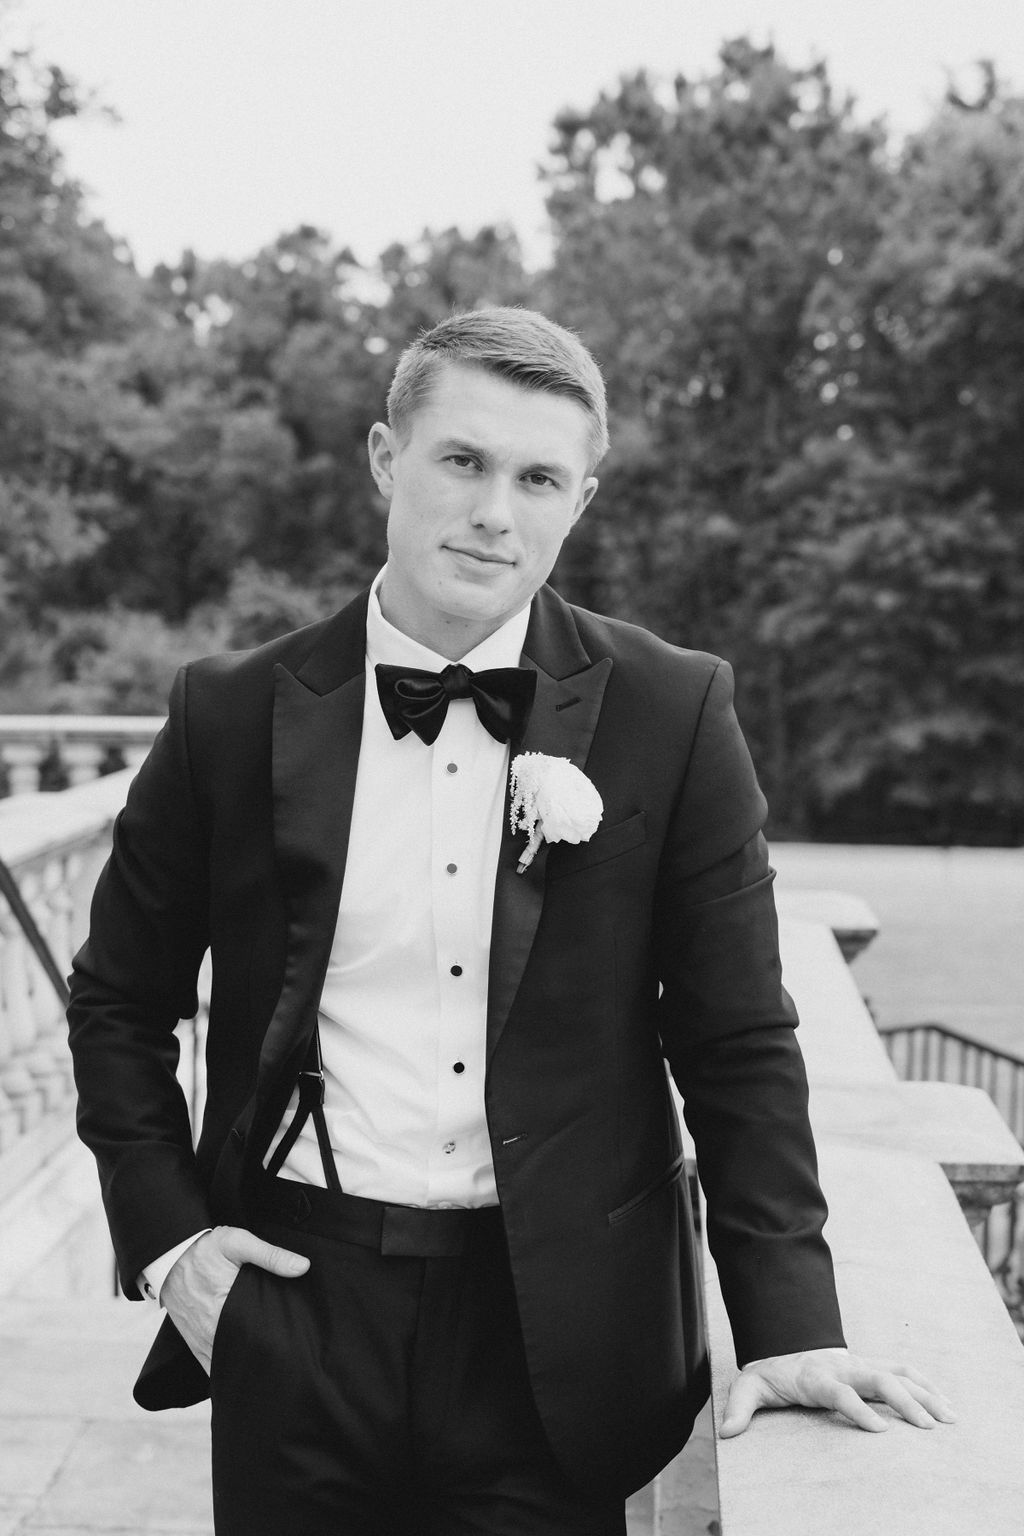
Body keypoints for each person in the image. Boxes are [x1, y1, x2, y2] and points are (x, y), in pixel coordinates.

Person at [67, 307, 952, 1536]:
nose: (495, 511)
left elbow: (737, 1035)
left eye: (538, 477)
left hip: (561, 1329)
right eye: (462, 461)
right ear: (387, 458)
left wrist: (792, 1324)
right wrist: (172, 1247)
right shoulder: (227, 713)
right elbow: (117, 999)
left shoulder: (673, 710)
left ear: (579, 500)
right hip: (294, 1303)